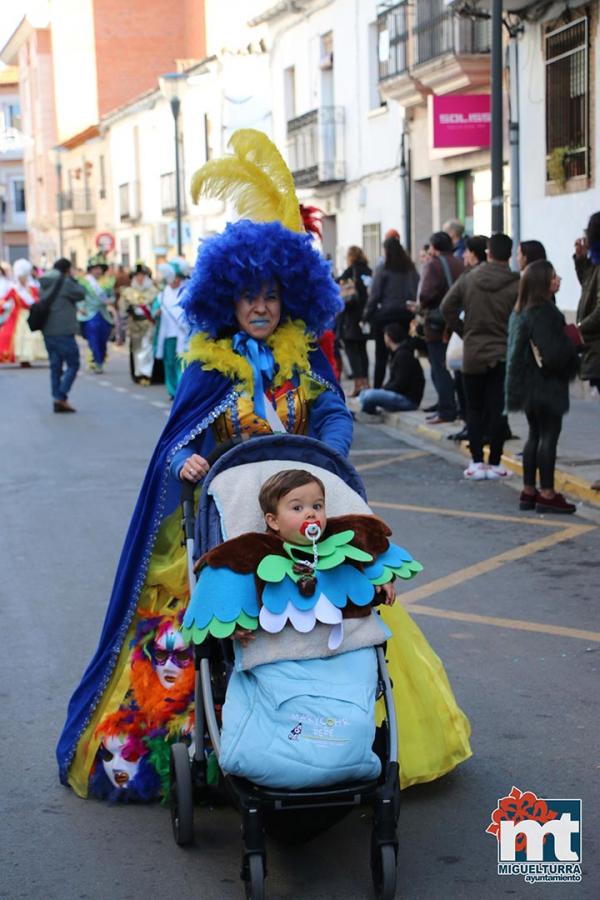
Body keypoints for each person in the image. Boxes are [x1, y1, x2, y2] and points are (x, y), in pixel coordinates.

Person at [56, 128, 355, 799]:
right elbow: (176, 438)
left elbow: (332, 411)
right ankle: (215, 738)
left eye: (272, 295)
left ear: (289, 299)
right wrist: (187, 456)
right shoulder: (205, 364)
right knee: (209, 632)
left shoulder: (305, 356)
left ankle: (332, 735)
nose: (260, 307)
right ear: (228, 301)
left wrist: (328, 457)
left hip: (305, 520)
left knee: (340, 624)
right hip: (228, 525)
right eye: (248, 296)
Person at [182, 468, 471, 790]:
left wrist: (384, 578)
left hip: (344, 651)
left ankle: (347, 752)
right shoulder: (251, 552)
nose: (311, 514)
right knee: (275, 699)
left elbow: (371, 554)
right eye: (297, 508)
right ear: (273, 521)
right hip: (279, 655)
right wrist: (232, 625)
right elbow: (223, 587)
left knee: (354, 698)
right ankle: (274, 753)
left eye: (317, 506)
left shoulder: (342, 541)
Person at [441, 233, 520, 480]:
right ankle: (495, 463)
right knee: (498, 410)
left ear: (488, 252)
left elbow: (447, 307)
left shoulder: (470, 279)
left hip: (473, 353)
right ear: (510, 254)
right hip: (502, 353)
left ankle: (476, 462)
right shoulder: (516, 282)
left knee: (473, 409)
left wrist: (466, 332)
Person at [506, 261, 579, 513]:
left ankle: (528, 490)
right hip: (546, 384)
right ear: (542, 284)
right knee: (549, 436)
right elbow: (554, 354)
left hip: (527, 384)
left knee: (534, 435)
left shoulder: (521, 310)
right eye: (553, 277)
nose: (558, 280)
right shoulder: (545, 313)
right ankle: (547, 493)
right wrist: (572, 343)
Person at [417, 231, 464, 423]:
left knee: (439, 367)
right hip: (457, 322)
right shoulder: (460, 263)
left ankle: (446, 409)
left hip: (437, 324)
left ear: (434, 248)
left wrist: (421, 305)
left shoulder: (433, 265)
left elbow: (425, 295)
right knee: (457, 367)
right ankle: (459, 408)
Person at [364, 236, 419, 389]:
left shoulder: (383, 268)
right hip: (406, 315)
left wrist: (366, 315)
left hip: (386, 316)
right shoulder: (410, 268)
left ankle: (376, 391)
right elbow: (416, 291)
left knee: (381, 356)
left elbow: (375, 295)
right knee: (404, 352)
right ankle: (402, 388)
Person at [39, 258, 86, 413]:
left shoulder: (45, 282)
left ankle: (58, 399)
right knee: (73, 364)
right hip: (63, 331)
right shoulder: (65, 282)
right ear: (67, 270)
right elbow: (81, 293)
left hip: (47, 331)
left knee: (55, 366)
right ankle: (60, 396)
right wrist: (72, 278)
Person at [359, 323, 424, 415]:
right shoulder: (398, 353)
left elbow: (400, 383)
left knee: (369, 395)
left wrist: (384, 389)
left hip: (408, 400)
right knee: (364, 393)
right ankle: (368, 412)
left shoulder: (403, 355)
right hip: (401, 395)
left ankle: (368, 414)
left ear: (389, 337)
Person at [337, 245, 372, 396]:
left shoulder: (351, 271)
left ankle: (358, 384)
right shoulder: (369, 271)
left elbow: (337, 283)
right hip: (365, 316)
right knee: (363, 350)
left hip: (351, 317)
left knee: (352, 350)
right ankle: (366, 382)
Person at [0, 258, 47, 365]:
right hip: (17, 316)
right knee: (14, 337)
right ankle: (22, 358)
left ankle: (28, 358)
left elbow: (36, 300)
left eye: (24, 277)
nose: (23, 279)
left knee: (31, 336)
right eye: (21, 277)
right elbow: (4, 300)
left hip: (30, 315)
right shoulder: (14, 288)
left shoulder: (33, 288)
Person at [154, 259, 189, 400]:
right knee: (169, 362)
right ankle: (172, 390)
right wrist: (156, 312)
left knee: (182, 363)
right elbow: (154, 310)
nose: (175, 281)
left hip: (183, 334)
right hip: (167, 333)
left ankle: (182, 391)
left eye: (177, 278)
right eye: (173, 278)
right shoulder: (161, 295)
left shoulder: (187, 293)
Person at [78, 254, 115, 373]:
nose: (97, 271)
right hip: (90, 314)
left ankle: (101, 358)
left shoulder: (107, 282)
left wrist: (110, 301)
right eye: (95, 268)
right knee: (93, 339)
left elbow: (112, 297)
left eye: (99, 268)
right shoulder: (84, 282)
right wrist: (81, 307)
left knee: (103, 339)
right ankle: (97, 362)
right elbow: (79, 297)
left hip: (104, 314)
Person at [121, 263, 157, 385]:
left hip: (148, 323)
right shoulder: (128, 291)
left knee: (147, 348)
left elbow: (156, 306)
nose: (140, 278)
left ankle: (147, 374)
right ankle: (138, 374)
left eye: (142, 275)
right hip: (134, 324)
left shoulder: (153, 291)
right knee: (136, 349)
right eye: (137, 276)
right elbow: (122, 308)